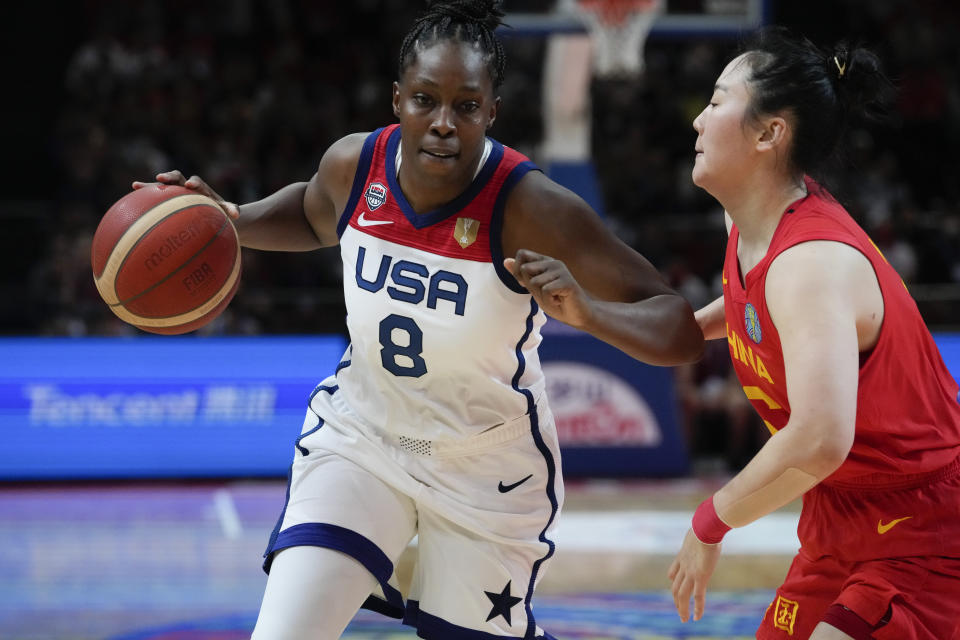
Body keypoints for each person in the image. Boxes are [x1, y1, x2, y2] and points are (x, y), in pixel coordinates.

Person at [135, 2, 703, 638]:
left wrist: (587, 312)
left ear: (491, 112)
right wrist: (232, 219)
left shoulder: (532, 207)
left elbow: (676, 326)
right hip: (364, 437)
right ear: (397, 99)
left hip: (487, 471)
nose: (442, 123)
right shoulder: (355, 165)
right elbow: (314, 212)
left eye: (465, 106)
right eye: (426, 100)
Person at [667, 27, 960, 640]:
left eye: (718, 102)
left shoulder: (811, 263)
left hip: (925, 525)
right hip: (839, 516)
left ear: (771, 133)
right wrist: (684, 331)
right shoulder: (752, 221)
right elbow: (758, 306)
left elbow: (821, 437)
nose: (697, 120)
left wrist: (709, 522)